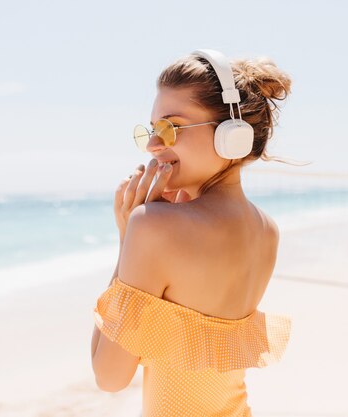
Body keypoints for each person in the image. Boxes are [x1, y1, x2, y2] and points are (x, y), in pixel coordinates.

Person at [90, 48, 293, 416]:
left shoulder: (153, 227)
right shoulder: (267, 231)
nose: (154, 145)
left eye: (171, 128)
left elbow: (109, 377)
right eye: (152, 131)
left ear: (233, 136)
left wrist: (127, 237)